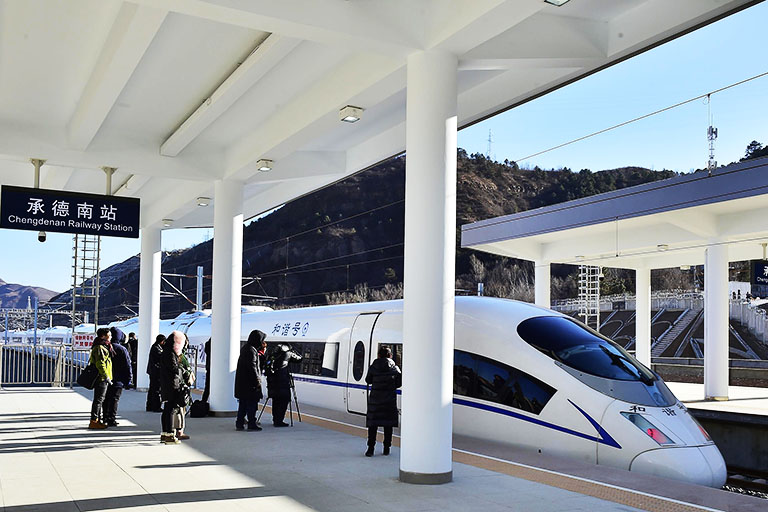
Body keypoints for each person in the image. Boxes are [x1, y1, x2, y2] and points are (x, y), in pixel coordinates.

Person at [364, 346, 401, 457]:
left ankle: (370, 449)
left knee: (373, 426)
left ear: (379, 355)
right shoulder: (395, 369)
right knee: (388, 426)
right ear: (390, 356)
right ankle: (386, 449)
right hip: (389, 401)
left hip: (375, 401)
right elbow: (399, 383)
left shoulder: (373, 367)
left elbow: (368, 380)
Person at [234, 330, 266, 431]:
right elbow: (253, 367)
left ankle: (239, 423)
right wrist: (257, 380)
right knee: (251, 404)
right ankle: (252, 423)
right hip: (249, 385)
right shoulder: (251, 351)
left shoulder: (246, 348)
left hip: (243, 384)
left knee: (243, 405)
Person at [159, 331, 187, 444]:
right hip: (172, 385)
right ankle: (170, 434)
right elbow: (174, 368)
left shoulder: (166, 351)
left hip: (167, 384)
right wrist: (182, 369)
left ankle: (165, 433)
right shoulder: (170, 353)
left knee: (167, 409)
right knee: (170, 409)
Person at [265, 343, 302, 427]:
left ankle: (275, 419)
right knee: (283, 401)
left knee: (276, 401)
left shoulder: (272, 355)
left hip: (272, 383)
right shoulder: (288, 354)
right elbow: (300, 359)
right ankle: (279, 421)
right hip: (283, 383)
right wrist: (293, 351)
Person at [104, 328, 133, 427]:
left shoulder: (105, 347)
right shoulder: (121, 349)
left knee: (105, 398)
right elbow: (127, 365)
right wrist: (128, 380)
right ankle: (112, 418)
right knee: (114, 399)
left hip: (106, 378)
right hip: (118, 380)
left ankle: (104, 417)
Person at [88, 328, 113, 429]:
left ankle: (97, 420)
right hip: (101, 378)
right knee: (98, 400)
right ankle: (94, 420)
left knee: (100, 400)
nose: (110, 337)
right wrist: (105, 376)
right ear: (103, 336)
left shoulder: (102, 346)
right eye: (109, 335)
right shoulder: (99, 347)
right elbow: (100, 363)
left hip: (103, 377)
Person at [174, 335, 194, 441]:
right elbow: (183, 370)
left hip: (178, 386)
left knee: (177, 409)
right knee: (180, 410)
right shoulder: (180, 356)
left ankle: (176, 430)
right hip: (181, 386)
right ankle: (179, 431)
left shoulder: (176, 354)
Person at [146, 334, 166, 412]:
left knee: (152, 389)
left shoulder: (155, 347)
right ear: (162, 341)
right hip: (156, 372)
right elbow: (161, 358)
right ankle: (156, 406)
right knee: (156, 390)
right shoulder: (157, 349)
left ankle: (150, 406)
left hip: (153, 371)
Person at [201, 338, 211, 403]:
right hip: (214, 368)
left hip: (209, 367)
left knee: (207, 387)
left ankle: (203, 401)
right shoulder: (216, 346)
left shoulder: (208, 345)